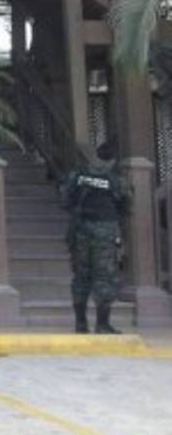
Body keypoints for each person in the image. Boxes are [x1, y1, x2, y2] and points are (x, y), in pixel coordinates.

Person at [60, 141, 130, 334]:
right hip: (105, 234)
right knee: (105, 277)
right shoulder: (116, 181)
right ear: (113, 160)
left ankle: (80, 324)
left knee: (81, 276)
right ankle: (102, 324)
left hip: (79, 232)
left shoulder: (78, 175)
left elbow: (65, 200)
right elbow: (126, 208)